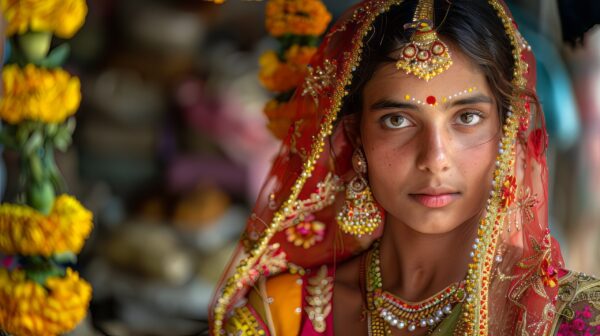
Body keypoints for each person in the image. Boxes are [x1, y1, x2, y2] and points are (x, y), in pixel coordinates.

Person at [210, 0, 600, 335]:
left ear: (508, 132)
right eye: (397, 120)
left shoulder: (567, 319)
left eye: (467, 117)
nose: (434, 158)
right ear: (355, 137)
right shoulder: (284, 315)